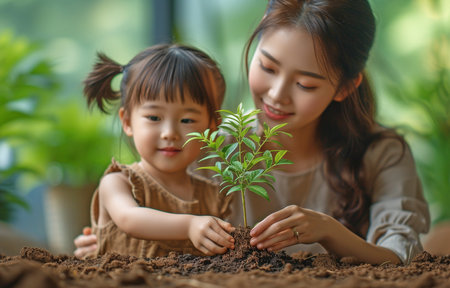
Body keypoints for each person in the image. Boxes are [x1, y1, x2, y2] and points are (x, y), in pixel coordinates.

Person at [75, 0, 430, 265]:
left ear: (344, 87)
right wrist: (114, 239)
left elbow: (402, 258)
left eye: (305, 84)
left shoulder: (381, 154)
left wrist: (329, 231)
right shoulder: (210, 146)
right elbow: (154, 221)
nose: (276, 95)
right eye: (267, 67)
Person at [78, 43, 234, 259]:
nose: (169, 133)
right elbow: (129, 218)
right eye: (154, 118)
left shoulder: (213, 197)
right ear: (127, 121)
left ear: (212, 126)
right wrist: (189, 225)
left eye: (187, 120)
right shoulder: (119, 182)